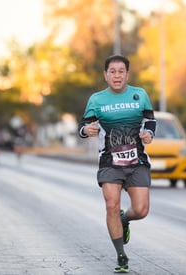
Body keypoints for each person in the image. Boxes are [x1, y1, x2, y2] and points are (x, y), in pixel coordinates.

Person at [78, 55, 156, 273]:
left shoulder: (139, 95)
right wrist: (86, 130)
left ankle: (125, 218)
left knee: (141, 210)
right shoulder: (96, 100)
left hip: (137, 160)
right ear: (106, 75)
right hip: (109, 161)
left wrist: (149, 132)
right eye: (112, 71)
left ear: (127, 74)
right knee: (111, 204)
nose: (117, 75)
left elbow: (150, 119)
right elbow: (83, 126)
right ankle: (121, 256)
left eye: (121, 71)